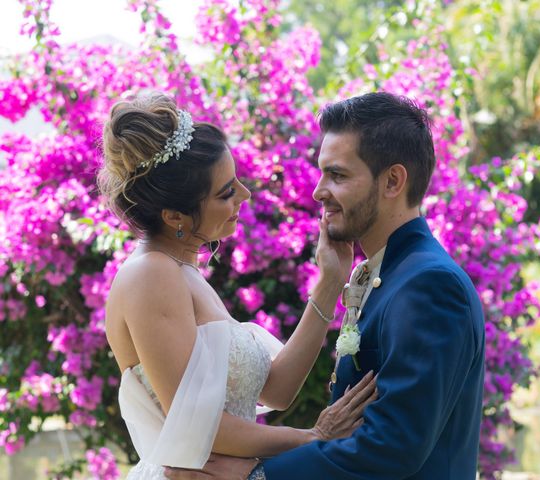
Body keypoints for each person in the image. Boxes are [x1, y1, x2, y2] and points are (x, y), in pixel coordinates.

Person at [166, 92, 486, 480]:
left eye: (337, 175)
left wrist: (256, 477)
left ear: (393, 181)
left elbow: (393, 446)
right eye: (322, 173)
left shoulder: (429, 285)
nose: (319, 191)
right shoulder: (387, 272)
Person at [99, 92, 377, 480]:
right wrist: (310, 438)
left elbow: (276, 391)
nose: (245, 195)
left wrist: (330, 280)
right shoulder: (151, 275)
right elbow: (199, 425)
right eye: (226, 192)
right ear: (175, 215)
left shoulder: (183, 273)